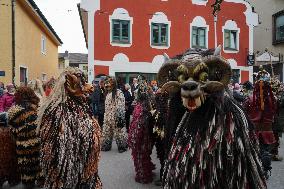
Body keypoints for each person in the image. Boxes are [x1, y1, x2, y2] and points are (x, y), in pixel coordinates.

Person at [159, 47, 266, 188]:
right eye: (183, 78)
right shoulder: (182, 113)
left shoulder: (229, 118)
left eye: (202, 76)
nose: (189, 84)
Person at [37, 67, 102, 189]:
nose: (88, 87)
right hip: (65, 176)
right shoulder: (55, 113)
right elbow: (51, 152)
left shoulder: (82, 107)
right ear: (71, 86)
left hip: (86, 172)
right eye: (81, 83)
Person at [8, 87, 41, 189]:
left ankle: (28, 183)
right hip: (37, 142)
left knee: (26, 165)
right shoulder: (37, 107)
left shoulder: (14, 111)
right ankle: (40, 180)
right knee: (38, 163)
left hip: (23, 144)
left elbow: (12, 129)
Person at [128, 76, 155, 184]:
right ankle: (146, 172)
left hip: (142, 137)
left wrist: (133, 139)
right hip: (147, 137)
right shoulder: (149, 104)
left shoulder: (141, 107)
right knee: (145, 155)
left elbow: (137, 125)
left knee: (140, 156)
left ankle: (143, 176)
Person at [101, 76, 128, 153]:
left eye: (109, 83)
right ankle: (106, 145)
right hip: (107, 117)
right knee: (106, 132)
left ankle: (122, 146)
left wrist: (119, 117)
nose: (107, 85)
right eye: (106, 84)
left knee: (119, 132)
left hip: (116, 117)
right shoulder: (107, 94)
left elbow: (121, 105)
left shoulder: (118, 93)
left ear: (113, 84)